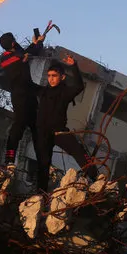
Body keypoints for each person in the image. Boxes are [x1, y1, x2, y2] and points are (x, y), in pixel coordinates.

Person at [34, 55, 98, 191]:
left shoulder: (65, 92)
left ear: (62, 77)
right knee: (43, 163)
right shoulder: (43, 91)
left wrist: (74, 66)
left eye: (54, 76)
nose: (51, 79)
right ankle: (41, 193)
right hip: (43, 133)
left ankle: (95, 178)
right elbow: (27, 85)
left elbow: (79, 86)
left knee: (78, 150)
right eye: (49, 76)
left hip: (59, 132)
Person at [0, 31, 45, 168]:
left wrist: (36, 42)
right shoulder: (10, 58)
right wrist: (36, 44)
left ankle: (42, 160)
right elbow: (25, 54)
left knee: (37, 129)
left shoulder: (12, 54)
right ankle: (9, 160)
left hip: (29, 95)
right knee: (18, 127)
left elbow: (27, 51)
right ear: (12, 43)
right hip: (21, 98)